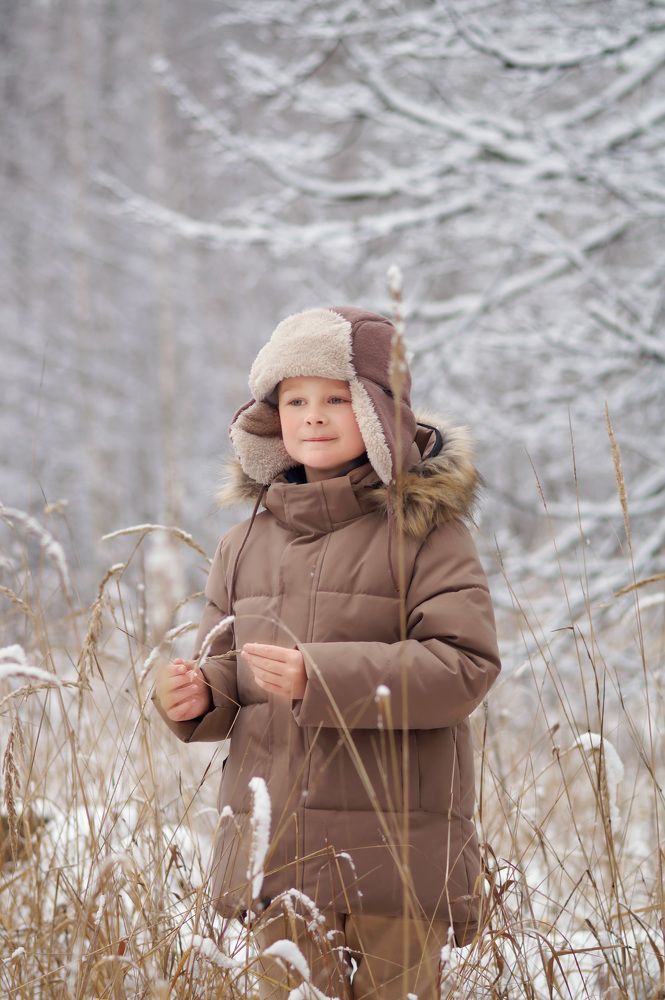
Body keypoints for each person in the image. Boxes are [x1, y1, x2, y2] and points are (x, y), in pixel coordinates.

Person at [152, 305, 501, 999]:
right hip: (277, 850)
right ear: (268, 415)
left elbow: (464, 666)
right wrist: (199, 695)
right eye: (294, 400)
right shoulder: (242, 542)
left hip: (397, 854)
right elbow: (233, 671)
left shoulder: (425, 530)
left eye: (335, 399)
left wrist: (323, 675)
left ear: (379, 410)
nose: (312, 415)